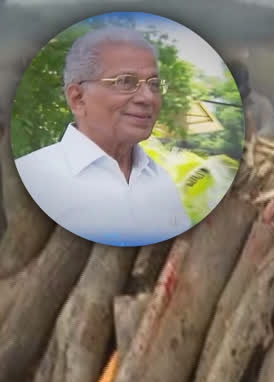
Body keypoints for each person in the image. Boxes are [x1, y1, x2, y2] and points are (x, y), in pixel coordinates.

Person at [14, 28, 190, 247]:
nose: (147, 98)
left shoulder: (159, 180)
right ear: (78, 98)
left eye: (153, 84)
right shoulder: (31, 179)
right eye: (125, 81)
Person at [228, 60, 274, 140]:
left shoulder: (263, 104)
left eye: (237, 83)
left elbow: (268, 134)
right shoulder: (227, 103)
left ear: (246, 81)